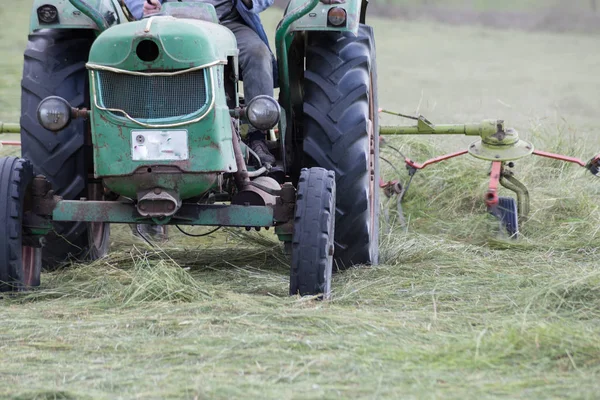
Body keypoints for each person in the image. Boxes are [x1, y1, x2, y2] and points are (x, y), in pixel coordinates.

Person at [124, 0, 276, 165]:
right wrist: (144, 7)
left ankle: (256, 136)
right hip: (170, 22)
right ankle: (154, 134)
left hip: (227, 23)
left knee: (258, 53)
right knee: (145, 56)